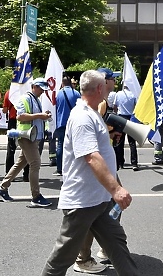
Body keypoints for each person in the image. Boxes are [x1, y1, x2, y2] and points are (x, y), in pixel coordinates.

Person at [41, 69, 139, 276]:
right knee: (62, 258)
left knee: (117, 245)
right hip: (82, 201)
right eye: (106, 85)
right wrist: (116, 189)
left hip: (98, 200)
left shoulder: (91, 113)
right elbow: (91, 157)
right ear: (100, 88)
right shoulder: (82, 117)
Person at [0, 78, 54, 207]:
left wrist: (43, 115)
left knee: (20, 163)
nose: (43, 92)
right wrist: (40, 116)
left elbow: (33, 116)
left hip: (32, 136)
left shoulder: (35, 99)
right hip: (26, 136)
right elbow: (20, 116)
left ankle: (2, 188)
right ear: (34, 86)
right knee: (35, 164)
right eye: (41, 89)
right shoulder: (25, 98)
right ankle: (36, 196)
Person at [54, 76, 81, 176]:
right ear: (71, 83)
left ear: (62, 83)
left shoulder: (58, 93)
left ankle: (59, 169)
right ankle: (72, 167)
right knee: (73, 146)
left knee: (60, 145)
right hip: (74, 122)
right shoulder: (76, 93)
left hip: (61, 122)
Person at [113, 83, 139, 171]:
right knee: (132, 142)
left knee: (120, 141)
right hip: (130, 118)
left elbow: (115, 106)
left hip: (121, 117)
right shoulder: (133, 94)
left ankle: (120, 162)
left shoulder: (118, 94)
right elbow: (136, 107)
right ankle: (134, 163)